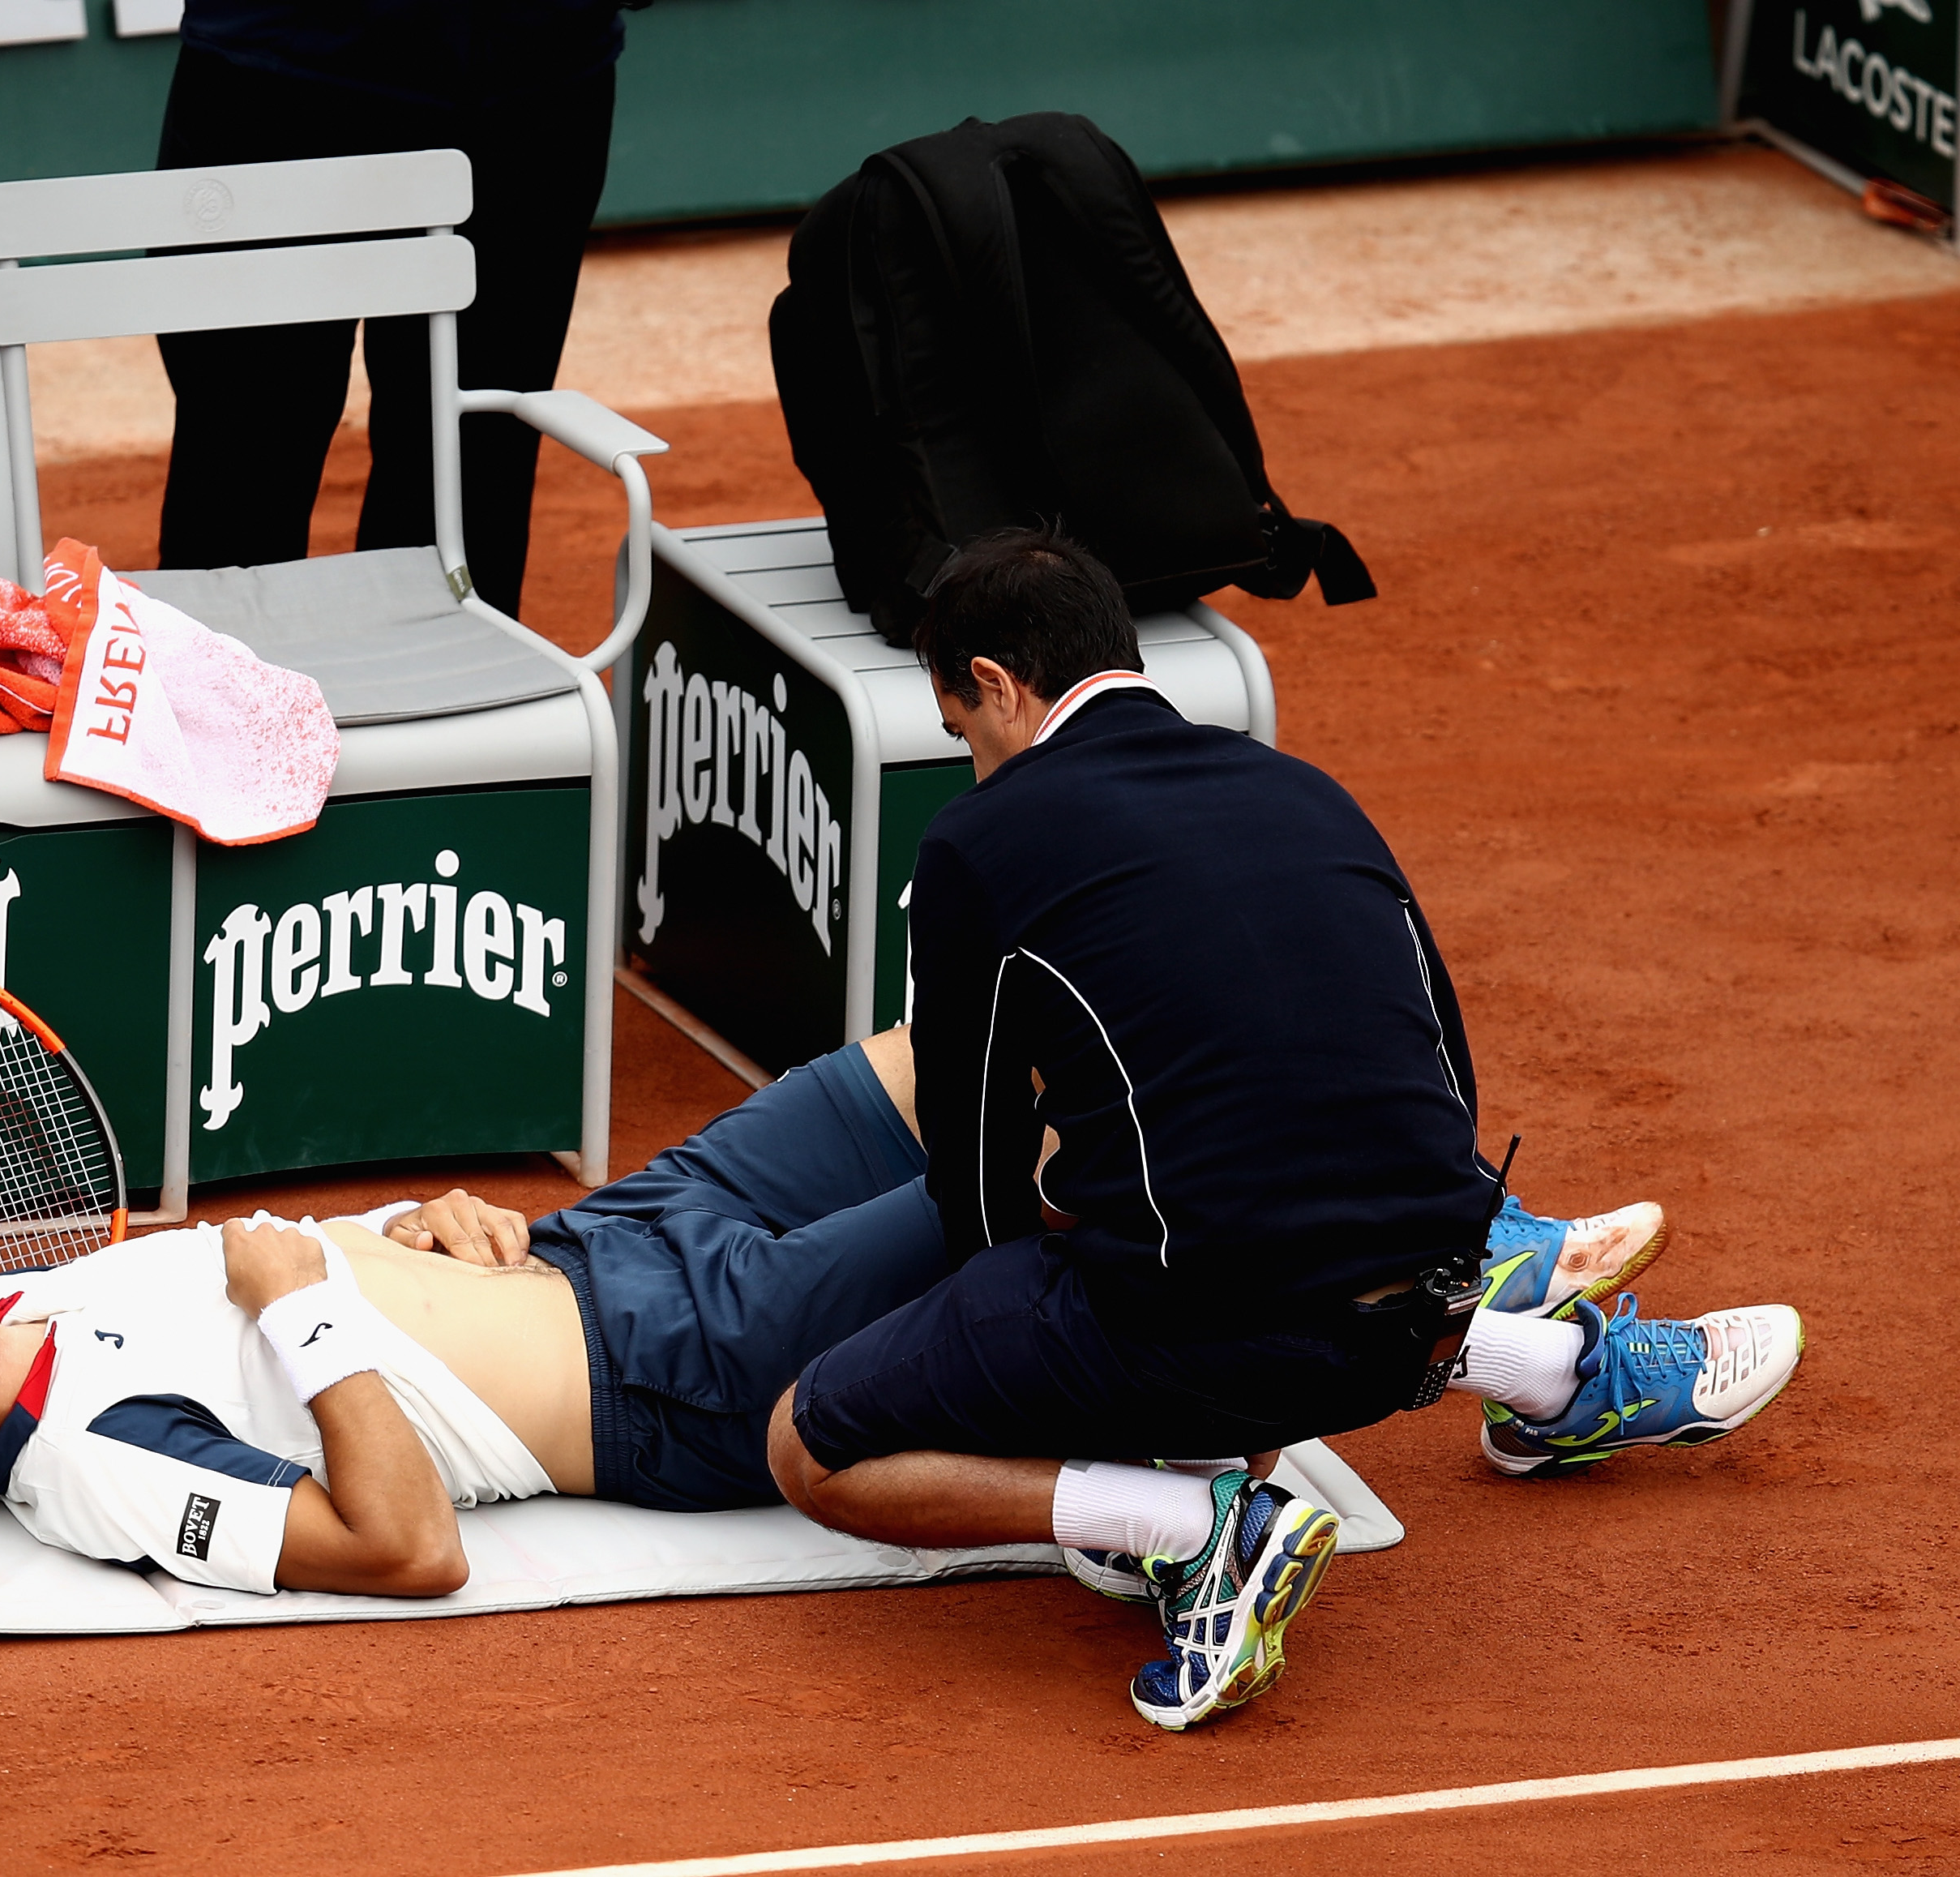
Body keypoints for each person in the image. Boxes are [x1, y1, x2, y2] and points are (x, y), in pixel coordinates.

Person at [0, 1027, 1785, 1725]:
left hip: (620, 1228)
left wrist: (412, 1234)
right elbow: (399, 1541)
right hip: (691, 1362)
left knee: (954, 1029)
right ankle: (1516, 1333)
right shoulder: (83, 1472)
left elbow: (299, 1303)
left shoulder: (49, 1312)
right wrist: (312, 1300)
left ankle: (1500, 1314)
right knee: (1064, 1172)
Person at [759, 525, 1807, 1725]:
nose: (975, 764)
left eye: (965, 732)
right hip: (1424, 1308)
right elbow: (1445, 1075)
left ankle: (1199, 1531)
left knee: (812, 1441)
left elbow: (977, 1173)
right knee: (1236, 1212)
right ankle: (1557, 1368)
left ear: (996, 685)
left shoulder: (979, 846)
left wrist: (1022, 1353)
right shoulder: (1304, 786)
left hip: (1232, 1354)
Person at [150, 0, 630, 618]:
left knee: (469, 487)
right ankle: (208, 711)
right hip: (283, 79)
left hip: (534, 86)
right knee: (241, 478)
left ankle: (448, 711)